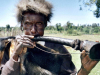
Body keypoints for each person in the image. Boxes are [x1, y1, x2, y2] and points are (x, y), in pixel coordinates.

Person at [0, 0, 98, 75]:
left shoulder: (58, 48)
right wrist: (15, 54)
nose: (33, 30)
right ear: (22, 25)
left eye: (39, 24)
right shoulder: (10, 46)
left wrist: (84, 70)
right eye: (28, 24)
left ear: (45, 24)